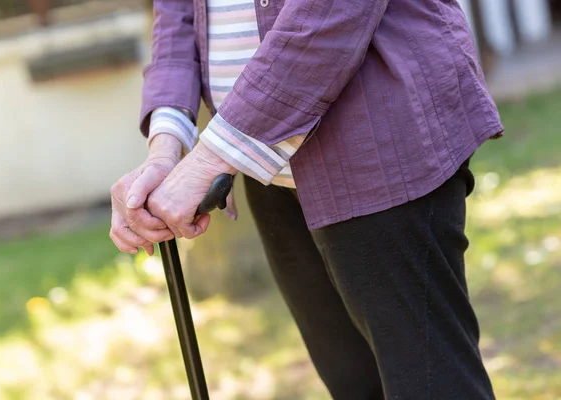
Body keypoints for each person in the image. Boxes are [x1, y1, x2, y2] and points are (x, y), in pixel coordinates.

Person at [110, 0, 503, 398]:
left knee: (430, 385)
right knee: (354, 384)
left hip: (377, 148)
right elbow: (177, 18)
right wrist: (165, 151)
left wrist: (209, 160)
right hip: (265, 169)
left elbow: (332, 10)